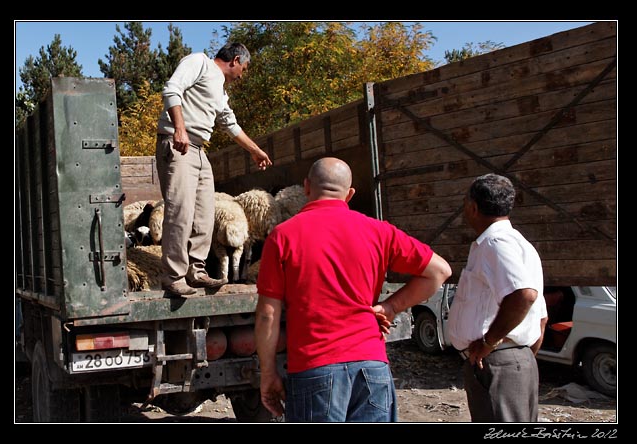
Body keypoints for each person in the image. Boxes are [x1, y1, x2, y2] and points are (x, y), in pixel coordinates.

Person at [254, 157, 452, 422]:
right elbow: (439, 271)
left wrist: (268, 374)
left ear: (306, 187)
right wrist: (391, 306)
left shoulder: (283, 236)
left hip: (315, 368)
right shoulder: (379, 231)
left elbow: (268, 314)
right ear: (349, 194)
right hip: (372, 366)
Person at [156, 42, 272, 296]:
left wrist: (254, 149)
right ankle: (173, 276)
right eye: (245, 67)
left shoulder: (220, 90)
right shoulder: (199, 62)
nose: (243, 74)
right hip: (178, 144)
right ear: (236, 59)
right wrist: (180, 128)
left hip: (199, 149)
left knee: (205, 213)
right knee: (180, 212)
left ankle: (196, 271)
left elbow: (229, 123)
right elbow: (172, 89)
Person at [447, 173, 548, 422]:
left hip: (497, 361)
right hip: (510, 359)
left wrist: (489, 344)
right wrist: (521, 354)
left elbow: (523, 295)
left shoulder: (494, 243)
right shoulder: (520, 244)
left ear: (473, 207)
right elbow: (541, 316)